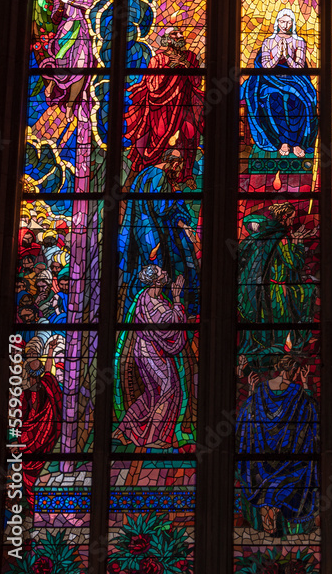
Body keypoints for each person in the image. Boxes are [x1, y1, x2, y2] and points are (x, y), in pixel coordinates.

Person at [236, 353, 318, 537]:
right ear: (295, 371)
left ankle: (268, 511)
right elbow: (312, 411)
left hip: (261, 455)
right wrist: (305, 383)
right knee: (293, 475)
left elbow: (248, 414)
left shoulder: (262, 389)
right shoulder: (298, 392)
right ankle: (273, 510)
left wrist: (250, 389)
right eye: (298, 373)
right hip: (289, 456)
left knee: (266, 481)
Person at [113, 266, 191, 449]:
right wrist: (177, 298)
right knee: (169, 389)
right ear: (156, 281)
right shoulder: (154, 303)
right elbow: (170, 325)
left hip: (147, 349)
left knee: (153, 394)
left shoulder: (146, 296)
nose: (165, 273)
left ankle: (124, 428)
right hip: (150, 352)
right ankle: (153, 437)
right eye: (161, 272)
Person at [118, 149, 200, 318]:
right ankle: (154, 314)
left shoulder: (145, 173)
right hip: (153, 235)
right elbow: (161, 209)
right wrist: (177, 193)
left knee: (143, 271)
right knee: (159, 271)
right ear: (174, 163)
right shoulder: (159, 176)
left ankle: (136, 311)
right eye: (178, 168)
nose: (177, 174)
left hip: (141, 232)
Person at [124, 26, 204, 186]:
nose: (180, 36)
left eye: (180, 34)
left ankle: (185, 175)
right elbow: (153, 86)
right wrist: (171, 67)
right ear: (167, 39)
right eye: (176, 34)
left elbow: (197, 82)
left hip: (185, 107)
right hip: (161, 110)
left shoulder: (190, 57)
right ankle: (152, 175)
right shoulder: (157, 60)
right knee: (160, 140)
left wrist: (186, 65)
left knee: (189, 136)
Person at [237, 203, 317, 361]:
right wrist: (299, 243)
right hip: (275, 290)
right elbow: (294, 263)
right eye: (291, 219)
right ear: (285, 217)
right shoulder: (281, 237)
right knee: (281, 322)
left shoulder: (267, 232)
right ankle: (278, 356)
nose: (292, 222)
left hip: (262, 287)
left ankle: (273, 352)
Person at [242, 8, 318, 159]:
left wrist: (287, 56)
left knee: (298, 100)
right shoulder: (268, 42)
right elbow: (265, 66)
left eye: (288, 22)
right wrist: (277, 55)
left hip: (296, 80)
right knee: (273, 97)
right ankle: (283, 141)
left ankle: (297, 142)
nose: (285, 25)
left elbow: (299, 66)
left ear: (292, 23)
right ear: (277, 23)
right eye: (282, 21)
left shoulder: (299, 42)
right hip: (270, 80)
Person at [39, 0, 94, 118]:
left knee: (81, 66)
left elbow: (89, 6)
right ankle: (52, 84)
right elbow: (54, 18)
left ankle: (70, 104)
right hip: (64, 30)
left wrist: (69, 1)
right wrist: (62, 3)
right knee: (61, 62)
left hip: (80, 30)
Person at [21, 335, 62, 512]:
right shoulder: (23, 392)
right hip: (28, 436)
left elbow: (47, 370)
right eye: (29, 354)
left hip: (44, 435)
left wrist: (51, 350)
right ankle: (30, 506)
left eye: (34, 354)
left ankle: (35, 506)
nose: (32, 357)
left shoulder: (46, 383)